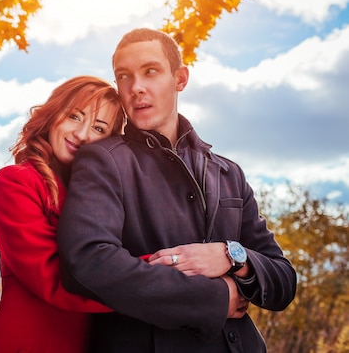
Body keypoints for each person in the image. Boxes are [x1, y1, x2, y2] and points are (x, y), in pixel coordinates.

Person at [57, 28, 297, 352]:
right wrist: (215, 298)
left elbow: (283, 281)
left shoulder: (229, 172)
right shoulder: (103, 160)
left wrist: (230, 254)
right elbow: (87, 263)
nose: (136, 87)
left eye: (150, 71)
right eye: (124, 76)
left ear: (180, 79)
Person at [0, 76, 126, 353]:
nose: (81, 134)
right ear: (54, 115)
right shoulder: (16, 181)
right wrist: (163, 271)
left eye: (98, 127)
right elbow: (55, 278)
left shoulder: (104, 200)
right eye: (74, 117)